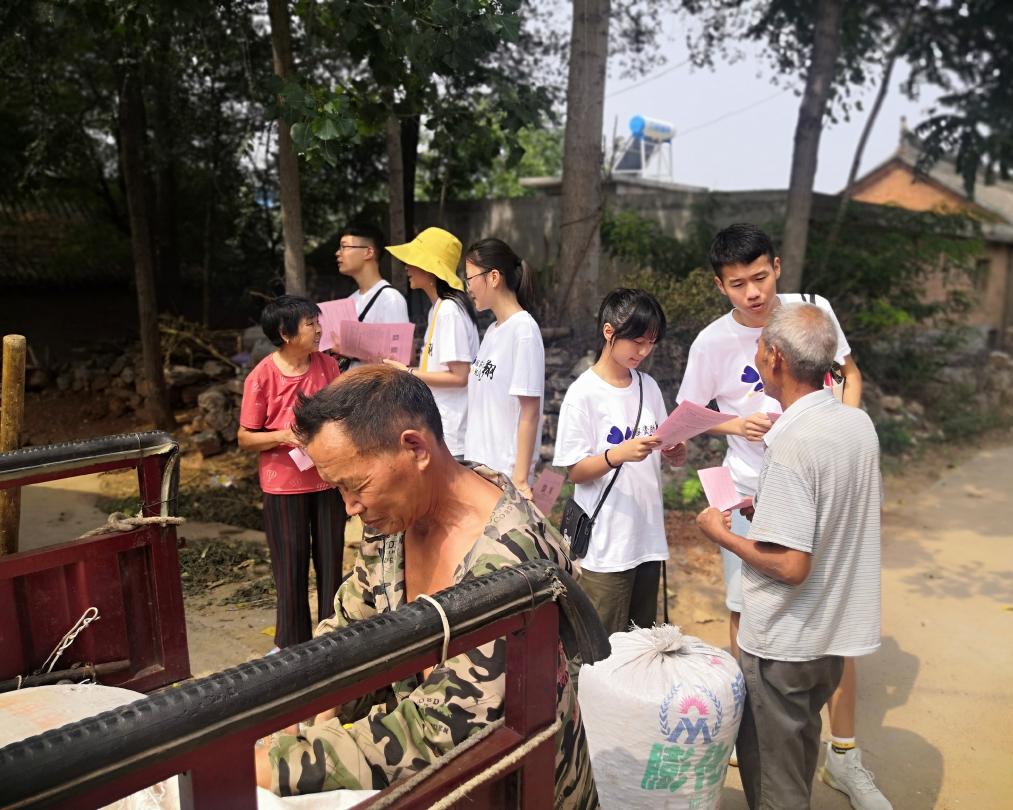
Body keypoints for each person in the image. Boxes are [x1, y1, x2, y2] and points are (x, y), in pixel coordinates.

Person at [254, 366, 598, 808]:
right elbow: (352, 626)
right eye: (338, 488)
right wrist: (308, 699)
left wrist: (279, 765)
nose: (349, 506)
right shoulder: (393, 520)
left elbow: (440, 730)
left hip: (521, 791)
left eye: (356, 485)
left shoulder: (510, 564)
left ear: (415, 448)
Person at [677, 224, 886, 809]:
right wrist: (732, 425)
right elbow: (688, 414)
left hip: (814, 474)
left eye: (760, 277)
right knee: (750, 616)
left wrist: (833, 433)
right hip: (750, 489)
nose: (753, 293)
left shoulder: (811, 313)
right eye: (737, 284)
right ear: (719, 286)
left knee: (833, 618)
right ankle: (757, 735)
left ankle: (843, 755)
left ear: (777, 267)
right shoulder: (711, 342)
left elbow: (849, 375)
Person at [553, 288, 687, 636]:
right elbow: (575, 471)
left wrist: (674, 452)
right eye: (637, 342)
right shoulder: (583, 394)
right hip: (606, 545)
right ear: (609, 332)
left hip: (647, 538)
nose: (643, 352)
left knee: (642, 644)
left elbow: (666, 446)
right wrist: (618, 454)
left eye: (651, 343)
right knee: (602, 647)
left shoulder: (648, 386)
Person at [237, 296, 345, 650]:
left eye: (317, 322)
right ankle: (290, 645)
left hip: (327, 479)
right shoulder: (261, 376)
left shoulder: (328, 365)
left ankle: (334, 636)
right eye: (310, 324)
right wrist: (283, 435)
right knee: (290, 567)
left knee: (330, 561)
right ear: (285, 333)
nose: (318, 330)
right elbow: (245, 437)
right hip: (283, 485)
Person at [382, 227, 479, 457]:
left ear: (431, 269)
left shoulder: (449, 311)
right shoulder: (439, 309)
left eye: (413, 261)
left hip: (452, 432)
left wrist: (407, 372)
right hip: (442, 427)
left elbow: (459, 376)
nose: (407, 267)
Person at [463, 238, 545, 496]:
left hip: (504, 477)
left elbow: (530, 411)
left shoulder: (524, 331)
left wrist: (520, 480)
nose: (468, 288)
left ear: (494, 277)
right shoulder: (492, 330)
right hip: (479, 470)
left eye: (470, 278)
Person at [335, 223, 409, 366]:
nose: (338, 253)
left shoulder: (390, 299)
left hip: (376, 381)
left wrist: (351, 350)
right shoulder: (350, 301)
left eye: (345, 247)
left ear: (368, 252)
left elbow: (398, 359)